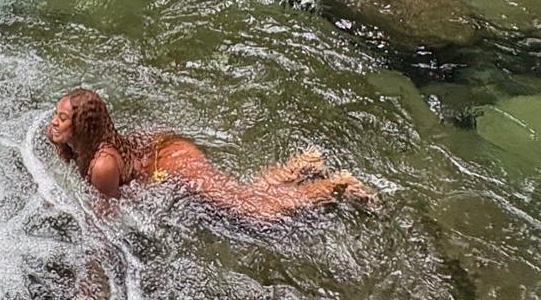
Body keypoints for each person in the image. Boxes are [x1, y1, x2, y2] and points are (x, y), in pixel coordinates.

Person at [46, 88, 376, 223]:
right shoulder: (82, 144)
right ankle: (303, 165)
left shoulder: (103, 165)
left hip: (173, 162)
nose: (54, 122)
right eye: (57, 115)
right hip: (161, 153)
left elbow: (106, 219)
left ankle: (337, 185)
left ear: (82, 126)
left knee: (250, 212)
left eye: (62, 118)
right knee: (242, 194)